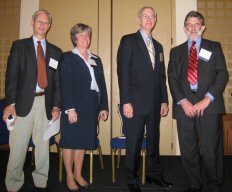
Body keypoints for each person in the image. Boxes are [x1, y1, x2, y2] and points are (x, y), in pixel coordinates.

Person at [168, 11, 229, 192]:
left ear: (203, 28)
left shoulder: (214, 47)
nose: (193, 28)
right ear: (185, 28)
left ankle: (214, 185)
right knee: (188, 150)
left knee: (211, 150)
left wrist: (207, 98)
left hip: (209, 106)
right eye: (189, 24)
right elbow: (172, 79)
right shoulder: (176, 51)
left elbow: (222, 74)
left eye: (197, 24)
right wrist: (183, 101)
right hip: (184, 108)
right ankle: (195, 184)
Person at [3, 10, 62, 192]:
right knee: (18, 148)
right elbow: (11, 77)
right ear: (33, 22)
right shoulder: (19, 46)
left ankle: (41, 181)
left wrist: (56, 105)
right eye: (39, 21)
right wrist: (10, 103)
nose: (42, 25)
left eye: (46, 22)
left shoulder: (55, 51)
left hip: (45, 104)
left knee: (43, 148)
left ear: (50, 25)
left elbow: (57, 82)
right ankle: (13, 184)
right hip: (22, 105)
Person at [117, 6, 172, 192]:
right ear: (139, 20)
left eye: (152, 17)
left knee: (154, 141)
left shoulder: (159, 47)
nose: (149, 19)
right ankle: (131, 179)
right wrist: (125, 101)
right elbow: (123, 72)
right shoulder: (128, 41)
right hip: (134, 102)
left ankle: (153, 175)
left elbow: (161, 77)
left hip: (155, 102)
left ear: (155, 20)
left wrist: (164, 100)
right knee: (134, 142)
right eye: (145, 16)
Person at [59, 23, 109, 192]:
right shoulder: (67, 58)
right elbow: (64, 85)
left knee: (81, 143)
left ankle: (79, 174)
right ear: (74, 38)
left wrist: (103, 106)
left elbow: (101, 85)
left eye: (87, 35)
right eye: (81, 35)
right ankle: (69, 176)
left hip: (91, 106)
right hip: (74, 106)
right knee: (70, 142)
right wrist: (70, 108)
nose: (85, 38)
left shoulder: (96, 59)